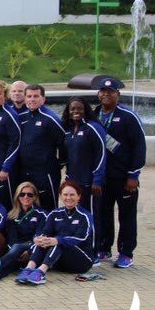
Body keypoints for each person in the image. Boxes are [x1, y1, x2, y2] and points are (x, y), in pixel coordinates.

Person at [92, 76, 144, 268]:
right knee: (103, 213)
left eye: (110, 92)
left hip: (123, 177)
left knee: (126, 216)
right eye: (103, 92)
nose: (106, 95)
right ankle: (104, 247)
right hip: (102, 177)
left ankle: (126, 253)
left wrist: (133, 175)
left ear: (117, 94)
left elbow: (139, 147)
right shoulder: (94, 114)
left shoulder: (128, 117)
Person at [15, 182, 95, 285]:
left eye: (72, 195)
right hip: (59, 262)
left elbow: (81, 238)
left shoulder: (85, 216)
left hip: (82, 261)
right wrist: (37, 239)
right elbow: (45, 232)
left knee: (59, 242)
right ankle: (28, 268)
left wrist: (57, 240)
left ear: (78, 196)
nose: (68, 198)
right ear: (61, 196)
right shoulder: (54, 214)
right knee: (43, 240)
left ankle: (41, 273)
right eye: (65, 195)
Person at [61, 96, 106, 256]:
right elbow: (66, 156)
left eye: (79, 108)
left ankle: (94, 252)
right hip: (74, 183)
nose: (76, 111)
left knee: (92, 217)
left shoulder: (93, 128)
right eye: (72, 109)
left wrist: (97, 180)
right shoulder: (68, 130)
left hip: (90, 183)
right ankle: (80, 248)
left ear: (85, 109)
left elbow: (101, 155)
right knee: (78, 217)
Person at [8, 85, 65, 210]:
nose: (32, 99)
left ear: (43, 99)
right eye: (29, 96)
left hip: (45, 172)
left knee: (48, 205)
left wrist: (57, 163)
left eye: (36, 96)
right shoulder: (22, 117)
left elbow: (63, 142)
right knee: (26, 205)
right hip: (25, 171)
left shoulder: (50, 119)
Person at [0, 181, 46, 282]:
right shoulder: (11, 216)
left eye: (30, 195)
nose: (26, 197)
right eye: (22, 194)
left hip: (33, 250)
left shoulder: (42, 214)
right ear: (18, 196)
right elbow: (11, 239)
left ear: (35, 197)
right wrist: (14, 252)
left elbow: (39, 236)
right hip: (15, 251)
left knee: (17, 248)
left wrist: (29, 251)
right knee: (14, 261)